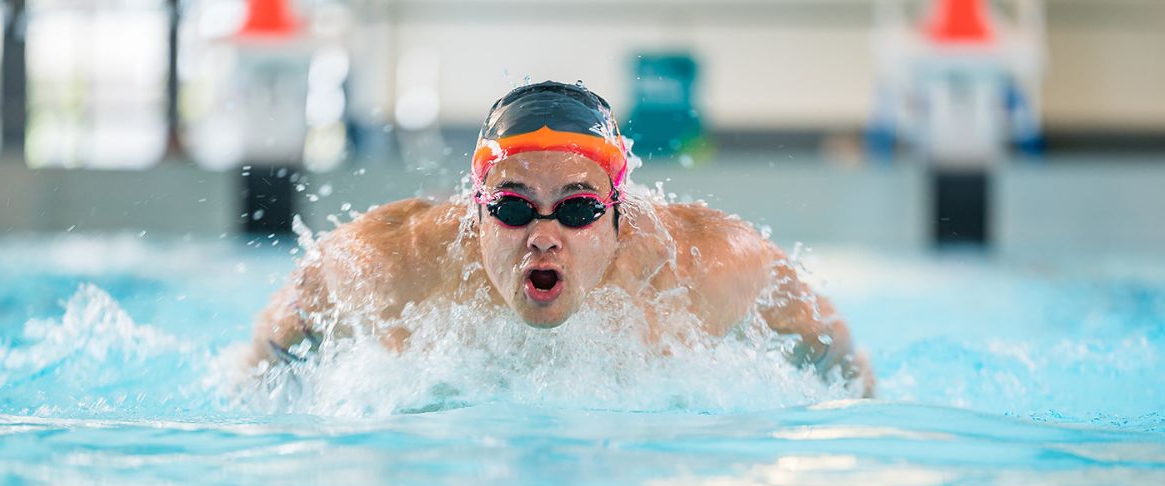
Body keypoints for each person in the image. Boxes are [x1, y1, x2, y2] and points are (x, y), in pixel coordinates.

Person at [250, 81, 873, 394]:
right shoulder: (395, 263)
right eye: (514, 207)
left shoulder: (703, 267)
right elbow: (276, 338)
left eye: (576, 209)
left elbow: (835, 348)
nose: (543, 237)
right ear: (476, 216)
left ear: (616, 217)